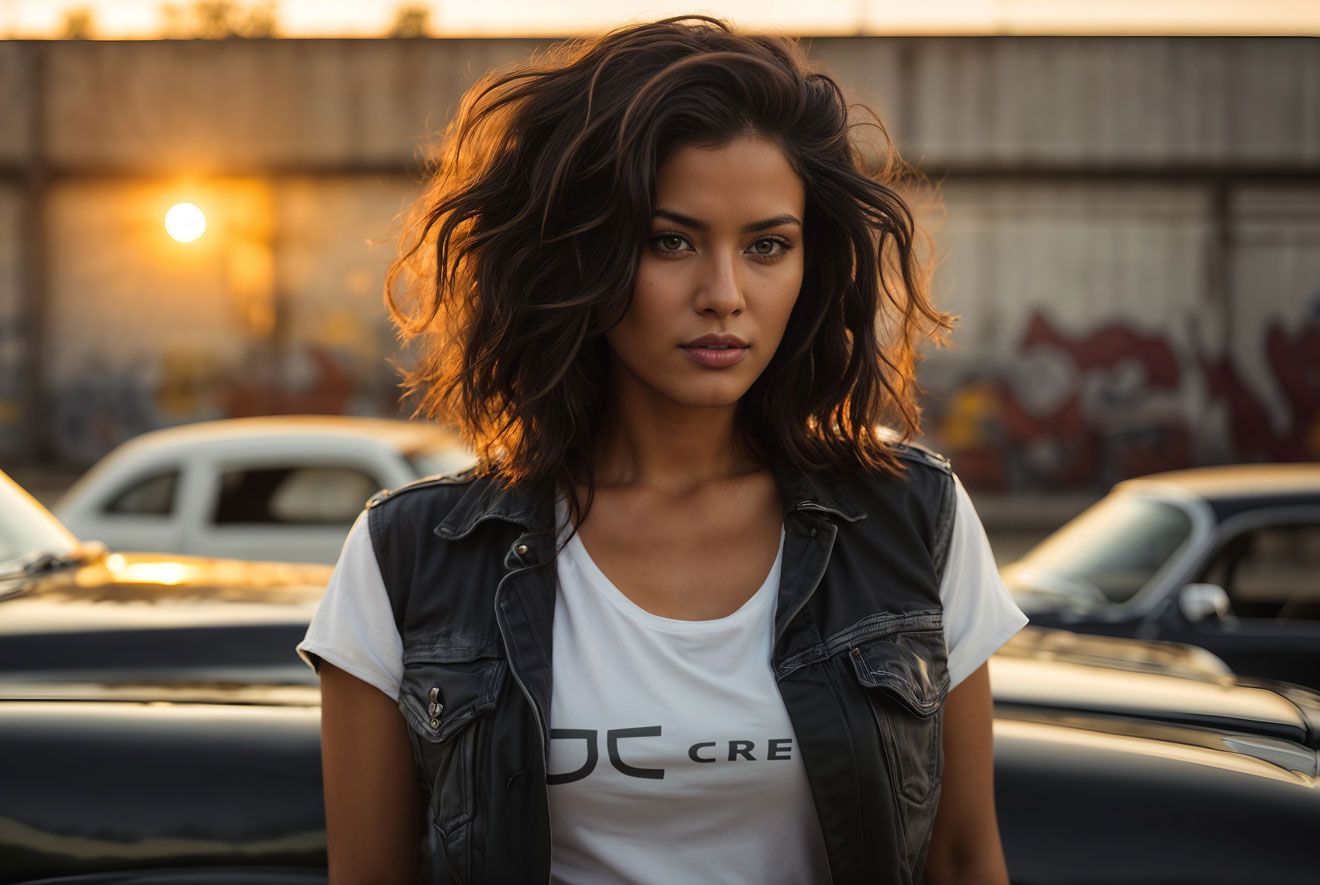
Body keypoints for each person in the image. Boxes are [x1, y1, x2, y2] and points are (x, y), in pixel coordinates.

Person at [297, 15, 1028, 885]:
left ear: (810, 260)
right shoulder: (412, 559)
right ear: (582, 256)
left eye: (767, 245)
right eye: (670, 241)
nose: (724, 294)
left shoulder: (910, 518)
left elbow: (961, 857)